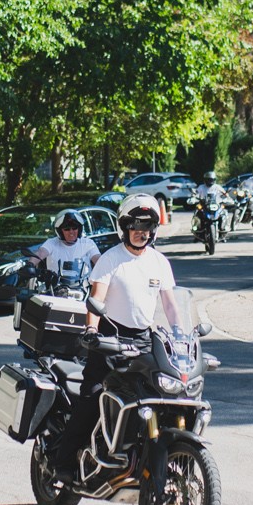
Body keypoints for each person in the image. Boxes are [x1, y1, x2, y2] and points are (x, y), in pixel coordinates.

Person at [51, 194, 183, 478]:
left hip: (144, 340)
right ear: (125, 227)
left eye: (147, 226)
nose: (141, 232)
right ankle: (63, 463)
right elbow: (96, 297)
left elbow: (171, 305)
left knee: (162, 393)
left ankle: (144, 453)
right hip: (110, 338)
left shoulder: (159, 262)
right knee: (92, 396)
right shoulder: (111, 259)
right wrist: (91, 330)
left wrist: (182, 335)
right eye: (135, 225)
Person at [29, 210, 101, 288]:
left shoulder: (87, 243)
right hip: (55, 290)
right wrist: (30, 265)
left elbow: (98, 259)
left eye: (74, 228)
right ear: (60, 231)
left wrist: (106, 267)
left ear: (79, 229)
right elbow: (40, 253)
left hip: (83, 290)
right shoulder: (51, 243)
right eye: (67, 229)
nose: (71, 232)